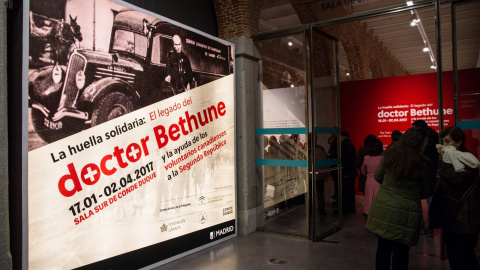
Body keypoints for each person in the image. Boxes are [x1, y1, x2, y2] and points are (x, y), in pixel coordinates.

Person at [365, 127, 436, 270]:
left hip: (384, 207)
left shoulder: (391, 154)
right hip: (406, 211)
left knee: (383, 249)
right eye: (425, 142)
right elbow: (428, 190)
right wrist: (411, 193)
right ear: (419, 143)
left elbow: (379, 176)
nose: (427, 145)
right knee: (401, 252)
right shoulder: (423, 163)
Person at [431, 126, 480, 270]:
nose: (444, 146)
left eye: (448, 142)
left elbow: (456, 179)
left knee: (464, 257)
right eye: (443, 142)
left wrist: (443, 162)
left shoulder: (468, 159)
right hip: (452, 217)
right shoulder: (451, 158)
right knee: (453, 255)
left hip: (465, 220)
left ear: (458, 142)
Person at [412, 119, 439, 237]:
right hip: (432, 172)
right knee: (431, 202)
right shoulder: (435, 137)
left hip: (419, 172)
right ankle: (430, 228)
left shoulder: (418, 140)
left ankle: (421, 226)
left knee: (416, 200)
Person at [361, 138, 383, 219]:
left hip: (369, 180)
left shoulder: (366, 158)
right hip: (379, 180)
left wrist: (367, 174)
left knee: (368, 198)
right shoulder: (382, 159)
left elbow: (363, 170)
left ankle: (367, 213)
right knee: (378, 199)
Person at [340, 131, 357, 214]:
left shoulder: (345, 145)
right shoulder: (350, 144)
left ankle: (346, 209)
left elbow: (347, 160)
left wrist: (345, 172)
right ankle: (350, 208)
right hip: (351, 172)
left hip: (347, 172)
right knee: (349, 190)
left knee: (346, 191)